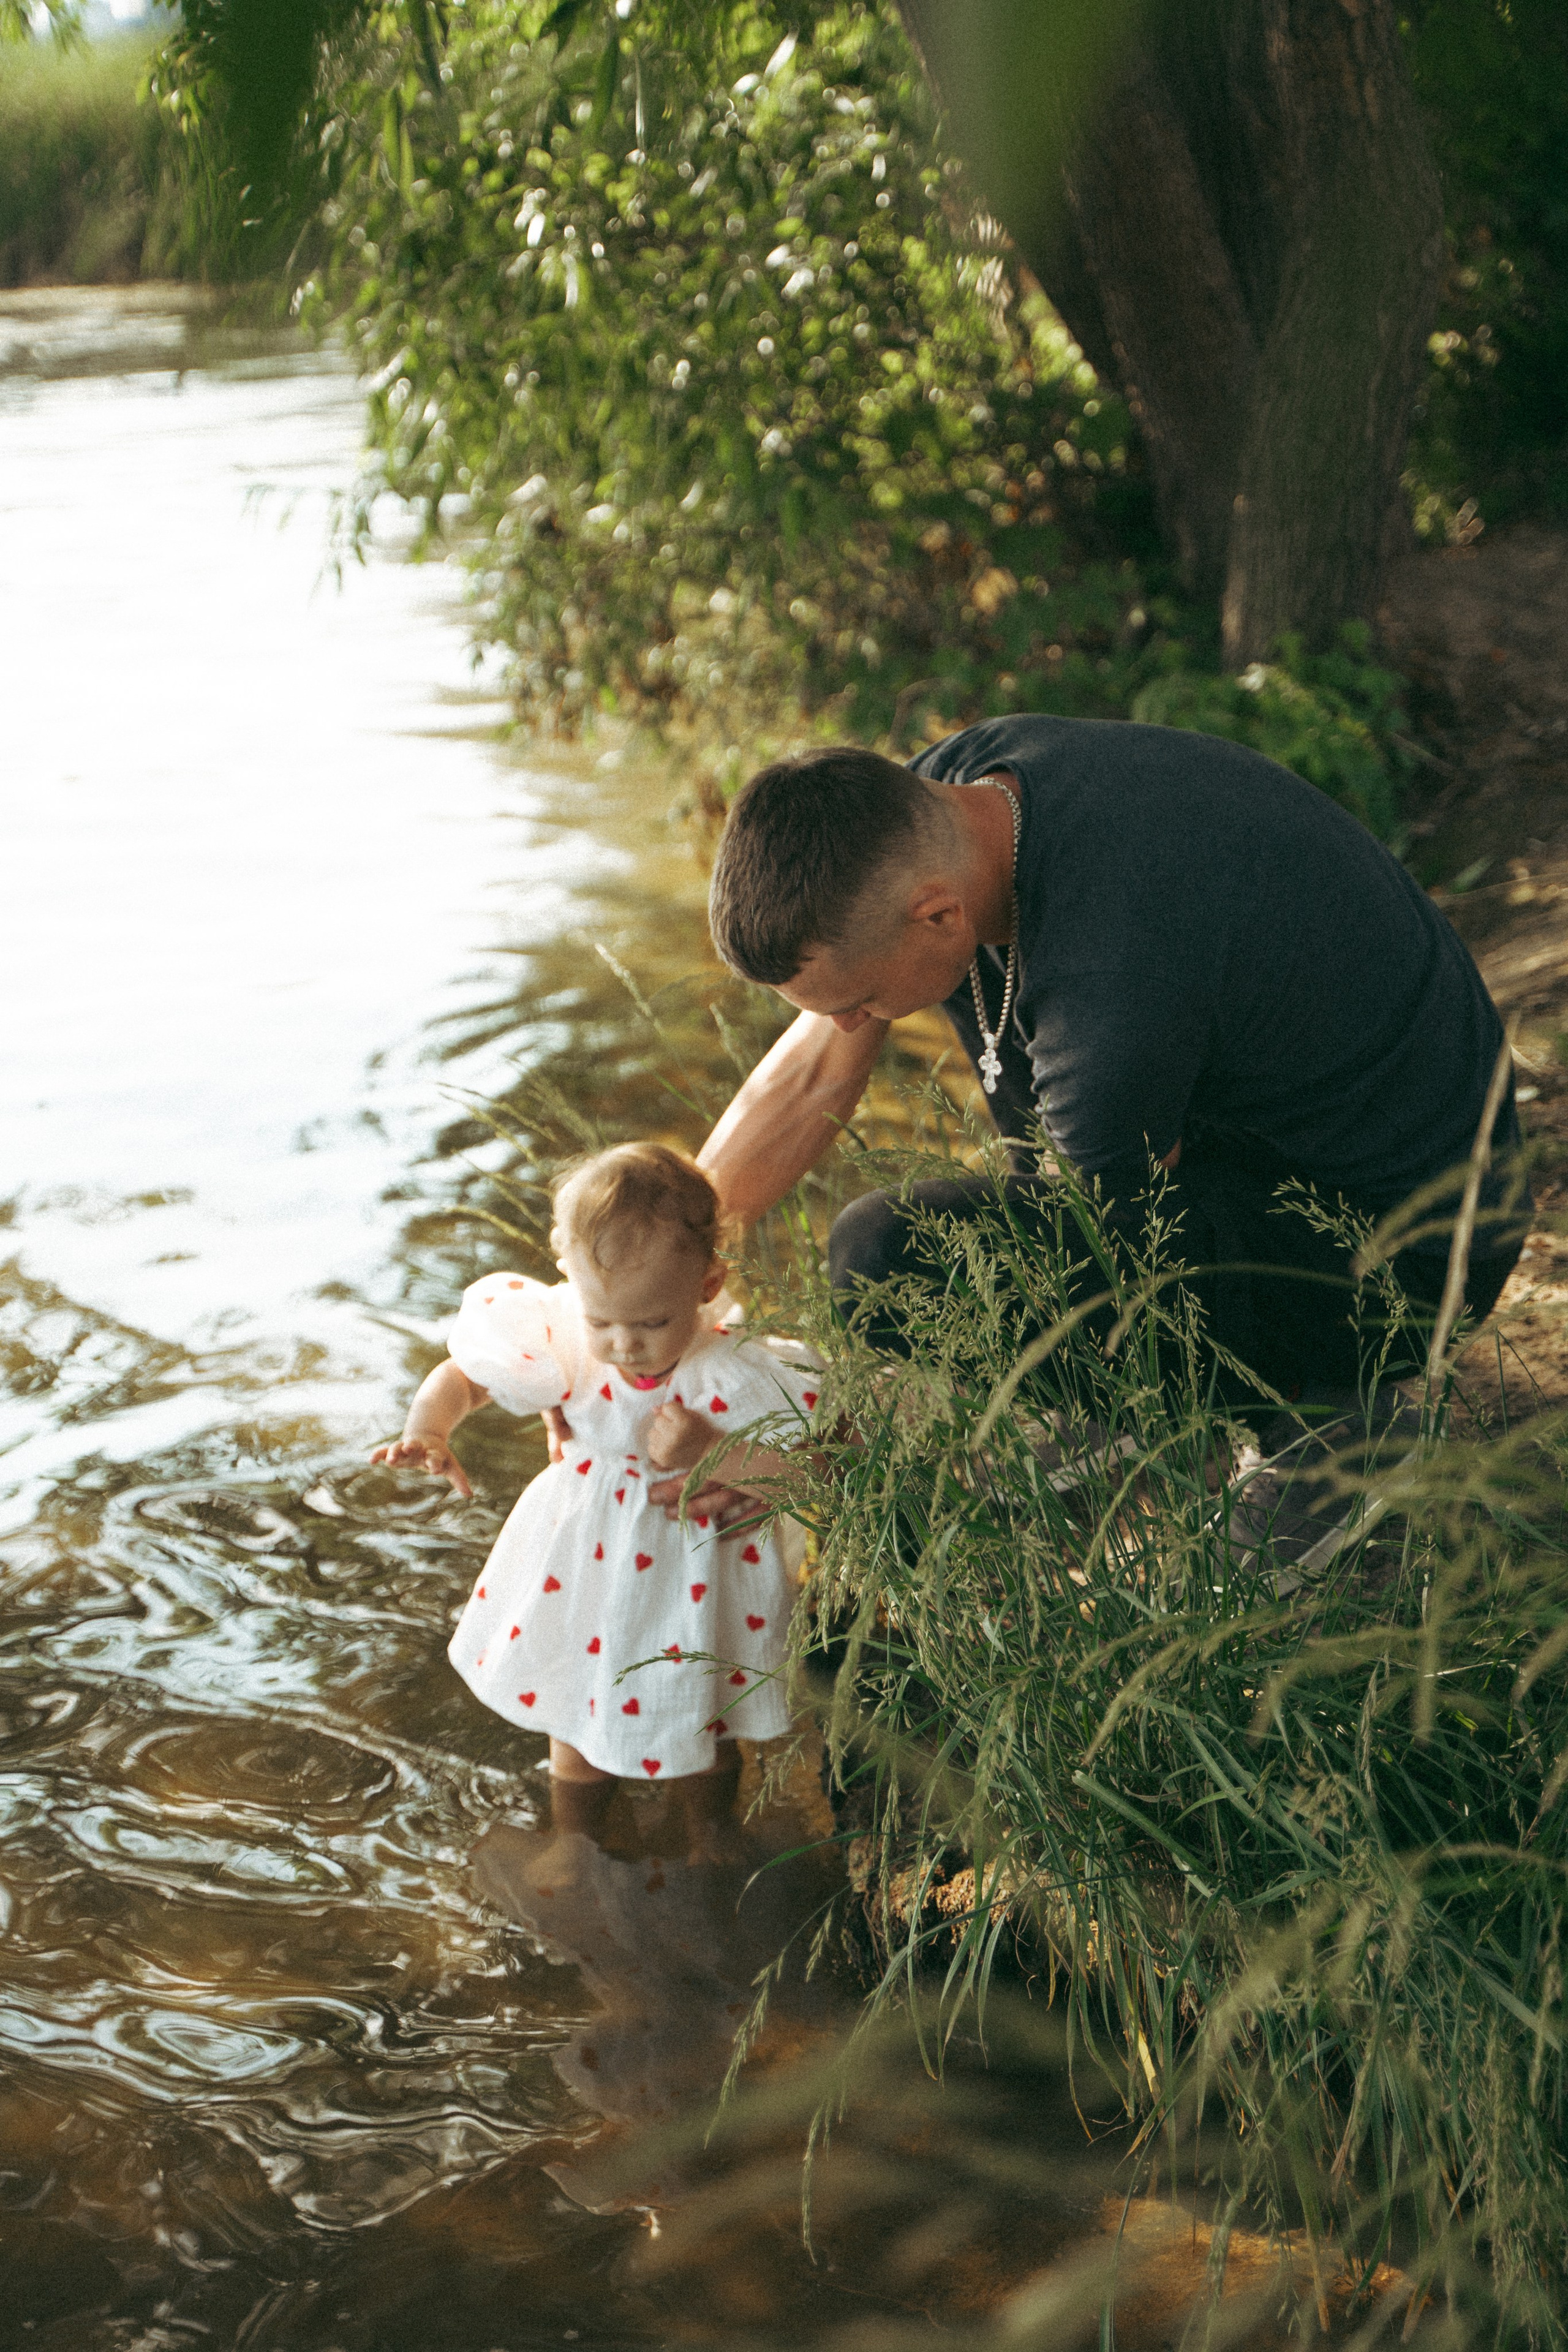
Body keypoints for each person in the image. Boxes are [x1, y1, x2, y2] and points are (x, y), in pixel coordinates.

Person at [694, 718, 1525, 1433]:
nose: (847, 1025)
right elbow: (811, 1078)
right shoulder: (939, 802)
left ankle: (1316, 1414)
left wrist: (823, 1429)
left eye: (861, 1001)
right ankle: (1140, 1409)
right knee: (1027, 1208)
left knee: (883, 1256)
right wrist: (644, 1261)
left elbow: (1107, 1252)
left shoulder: (1110, 989)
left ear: (939, 915)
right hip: (1285, 1136)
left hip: (1406, 1263)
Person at [372, 1144, 816, 1861]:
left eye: (650, 1323)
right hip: (585, 1555)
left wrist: (718, 1452)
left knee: (705, 1709)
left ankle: (709, 1829)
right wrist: (429, 1427)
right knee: (575, 1706)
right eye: (602, 1320)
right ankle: (573, 1838)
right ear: (571, 1285)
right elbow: (467, 1374)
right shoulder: (563, 1338)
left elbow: (811, 1469)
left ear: (708, 1285)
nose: (624, 1344)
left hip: (696, 1570)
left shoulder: (735, 1369)